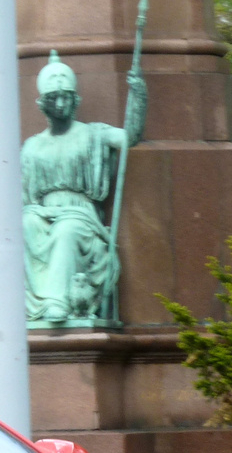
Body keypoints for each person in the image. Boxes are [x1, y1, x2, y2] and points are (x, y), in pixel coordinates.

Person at [20, 50, 146, 325]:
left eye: (67, 97)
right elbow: (26, 197)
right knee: (25, 223)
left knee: (67, 231)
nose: (61, 103)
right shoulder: (32, 146)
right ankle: (36, 306)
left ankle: (57, 302)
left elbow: (129, 137)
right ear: (43, 103)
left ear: (75, 99)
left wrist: (138, 96)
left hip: (80, 215)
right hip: (44, 213)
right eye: (54, 98)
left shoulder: (93, 133)